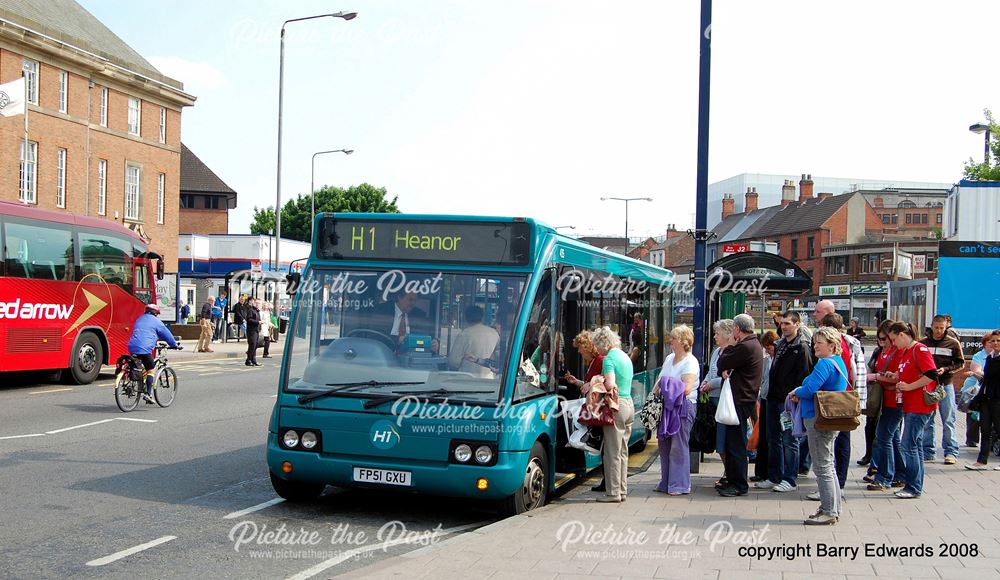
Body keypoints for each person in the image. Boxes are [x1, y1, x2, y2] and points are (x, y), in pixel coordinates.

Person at [791, 327, 849, 525]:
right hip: (830, 418)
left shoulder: (824, 363)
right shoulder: (839, 362)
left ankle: (828, 511)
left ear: (832, 345)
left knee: (822, 466)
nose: (815, 346)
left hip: (818, 418)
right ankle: (832, 508)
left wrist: (796, 390)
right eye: (815, 342)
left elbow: (809, 389)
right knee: (828, 465)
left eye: (819, 343)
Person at [814, 304, 867, 498]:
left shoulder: (838, 348)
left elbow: (853, 371)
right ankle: (837, 484)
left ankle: (835, 486)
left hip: (836, 399)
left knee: (832, 446)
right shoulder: (846, 344)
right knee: (838, 442)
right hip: (841, 398)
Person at [763, 311, 814, 493]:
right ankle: (774, 476)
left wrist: (796, 395)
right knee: (773, 438)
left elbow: (805, 374)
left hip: (789, 400)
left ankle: (790, 479)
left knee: (789, 439)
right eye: (782, 323)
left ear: (797, 325)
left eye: (788, 324)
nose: (784, 327)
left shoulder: (802, 347)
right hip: (774, 397)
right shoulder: (780, 344)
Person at [887, 321, 939, 498]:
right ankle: (914, 485)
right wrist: (897, 376)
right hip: (910, 405)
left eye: (894, 339)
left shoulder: (920, 349)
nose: (894, 344)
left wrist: (909, 387)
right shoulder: (906, 352)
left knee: (908, 445)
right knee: (913, 445)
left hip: (920, 405)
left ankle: (913, 487)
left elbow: (931, 375)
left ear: (902, 334)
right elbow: (910, 372)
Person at [715, 313, 764, 497]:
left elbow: (723, 361)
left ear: (737, 329)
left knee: (736, 444)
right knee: (732, 442)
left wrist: (727, 350)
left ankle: (739, 484)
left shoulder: (745, 346)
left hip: (740, 400)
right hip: (743, 399)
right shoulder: (752, 344)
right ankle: (733, 480)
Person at [652, 325, 699, 495]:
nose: (670, 341)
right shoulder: (669, 357)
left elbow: (686, 388)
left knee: (678, 446)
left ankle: (679, 484)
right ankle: (666, 482)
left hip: (683, 407)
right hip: (666, 406)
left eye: (673, 338)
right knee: (664, 445)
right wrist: (654, 393)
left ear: (682, 341)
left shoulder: (690, 361)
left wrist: (665, 385)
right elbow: (660, 379)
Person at [592, 326, 634, 503]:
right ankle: (622, 490)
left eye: (597, 346)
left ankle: (613, 493)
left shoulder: (609, 359)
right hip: (629, 404)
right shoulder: (625, 356)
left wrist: (596, 381)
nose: (597, 350)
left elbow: (610, 384)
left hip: (616, 407)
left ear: (604, 344)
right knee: (623, 451)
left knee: (612, 452)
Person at [920, 314, 965, 464]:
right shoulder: (923, 343)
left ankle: (951, 451)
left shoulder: (952, 343)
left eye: (942, 328)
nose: (939, 331)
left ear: (946, 327)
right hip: (928, 385)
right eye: (936, 327)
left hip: (946, 384)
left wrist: (946, 369)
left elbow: (960, 363)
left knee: (948, 419)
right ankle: (928, 450)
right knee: (928, 420)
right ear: (931, 326)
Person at [868, 320, 906, 491]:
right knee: (892, 438)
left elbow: (898, 377)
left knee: (884, 437)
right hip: (884, 400)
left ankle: (885, 476)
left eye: (885, 339)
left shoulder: (898, 352)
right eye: (879, 339)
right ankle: (900, 474)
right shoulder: (883, 351)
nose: (881, 342)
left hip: (894, 400)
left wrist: (876, 377)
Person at [700, 319, 736, 489]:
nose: (715, 336)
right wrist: (704, 382)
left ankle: (730, 473)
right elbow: (711, 371)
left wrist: (710, 384)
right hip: (713, 399)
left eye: (718, 333)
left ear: (729, 334)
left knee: (724, 439)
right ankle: (727, 471)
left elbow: (727, 376)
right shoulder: (716, 351)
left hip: (724, 400)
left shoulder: (732, 352)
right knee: (717, 439)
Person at [127, 303, 180, 402]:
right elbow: (167, 335)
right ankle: (148, 394)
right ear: (155, 313)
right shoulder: (157, 322)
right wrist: (174, 345)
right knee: (151, 369)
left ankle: (135, 383)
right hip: (145, 348)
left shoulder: (139, 319)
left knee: (138, 365)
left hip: (132, 346)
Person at [966, 331, 1000, 470]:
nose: (995, 343)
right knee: (985, 429)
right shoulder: (989, 357)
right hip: (986, 398)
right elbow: (985, 380)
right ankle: (981, 461)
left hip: (998, 399)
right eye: (993, 341)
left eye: (998, 340)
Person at [751, 330, 778, 484]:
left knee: (771, 437)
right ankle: (761, 471)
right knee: (763, 436)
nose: (767, 350)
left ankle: (769, 472)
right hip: (764, 398)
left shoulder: (777, 360)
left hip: (773, 399)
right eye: (766, 347)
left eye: (769, 347)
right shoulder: (767, 360)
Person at [962, 332, 996, 447]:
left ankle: (992, 442)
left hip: (991, 389)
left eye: (995, 341)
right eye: (990, 342)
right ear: (984, 344)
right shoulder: (978, 356)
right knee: (973, 414)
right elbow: (976, 370)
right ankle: (971, 439)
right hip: (974, 389)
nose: (993, 344)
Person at [448, 306, 500, 378]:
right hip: (489, 379)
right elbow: (499, 357)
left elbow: (453, 362)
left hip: (467, 379)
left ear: (466, 318)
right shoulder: (494, 333)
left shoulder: (464, 334)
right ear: (482, 318)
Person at [244, 298, 261, 366]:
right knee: (252, 345)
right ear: (254, 303)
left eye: (259, 303)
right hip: (251, 330)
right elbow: (249, 319)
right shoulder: (251, 310)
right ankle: (248, 360)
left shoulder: (257, 311)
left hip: (256, 330)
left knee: (255, 345)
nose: (258, 305)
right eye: (256, 303)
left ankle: (253, 360)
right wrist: (258, 322)